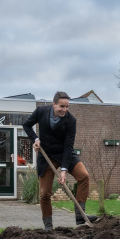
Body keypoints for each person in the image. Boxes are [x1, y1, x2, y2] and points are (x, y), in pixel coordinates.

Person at [23, 91, 98, 230]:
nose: (64, 110)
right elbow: (26, 125)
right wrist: (36, 139)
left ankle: (80, 216)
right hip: (46, 156)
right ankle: (48, 226)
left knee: (84, 176)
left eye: (67, 106)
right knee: (44, 193)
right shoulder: (41, 111)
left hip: (65, 154)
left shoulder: (71, 120)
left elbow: (69, 146)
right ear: (54, 104)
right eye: (61, 106)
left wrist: (64, 169)